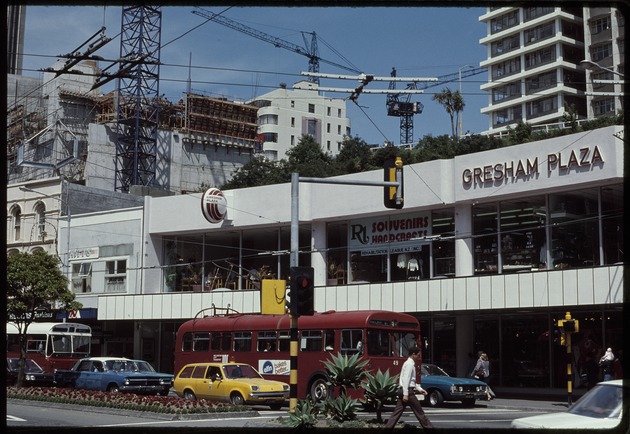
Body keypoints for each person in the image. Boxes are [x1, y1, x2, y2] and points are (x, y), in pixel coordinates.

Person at [384, 345, 433, 430]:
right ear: (413, 354)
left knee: (396, 413)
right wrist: (406, 394)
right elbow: (406, 380)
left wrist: (420, 389)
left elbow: (411, 381)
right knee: (420, 413)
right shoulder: (409, 364)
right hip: (407, 392)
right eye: (418, 355)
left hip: (404, 390)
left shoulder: (408, 363)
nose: (419, 357)